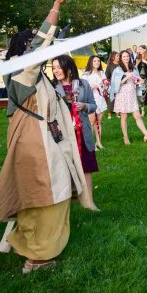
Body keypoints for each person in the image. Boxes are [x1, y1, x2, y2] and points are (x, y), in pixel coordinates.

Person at [0, 0, 95, 274]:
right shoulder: (22, 69)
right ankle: (39, 255)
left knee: (41, 193)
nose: (42, 46)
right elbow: (44, 42)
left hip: (42, 138)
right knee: (48, 194)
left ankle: (27, 245)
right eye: (33, 42)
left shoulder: (31, 73)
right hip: (36, 143)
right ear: (24, 49)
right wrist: (56, 3)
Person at [52, 55, 99, 207]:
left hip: (83, 133)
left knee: (86, 167)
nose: (56, 71)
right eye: (53, 68)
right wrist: (63, 102)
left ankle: (89, 202)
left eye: (59, 67)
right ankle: (65, 204)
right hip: (63, 135)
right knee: (63, 169)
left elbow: (93, 105)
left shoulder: (83, 84)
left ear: (69, 68)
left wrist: (85, 106)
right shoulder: (52, 88)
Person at [110, 50, 147, 145]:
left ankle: (146, 134)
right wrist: (126, 77)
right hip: (122, 95)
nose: (126, 58)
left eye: (127, 56)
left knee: (137, 116)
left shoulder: (133, 68)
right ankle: (125, 137)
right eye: (124, 56)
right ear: (121, 58)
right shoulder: (117, 70)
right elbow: (115, 85)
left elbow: (136, 79)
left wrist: (139, 81)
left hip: (132, 94)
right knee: (124, 116)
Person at [82, 55, 107, 150]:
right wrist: (91, 87)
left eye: (98, 61)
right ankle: (90, 143)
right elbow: (82, 89)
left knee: (99, 121)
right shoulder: (86, 75)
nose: (97, 62)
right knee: (91, 122)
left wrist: (105, 86)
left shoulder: (102, 73)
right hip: (91, 100)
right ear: (91, 62)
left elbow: (105, 86)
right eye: (95, 61)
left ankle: (98, 142)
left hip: (100, 99)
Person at [104, 51, 120, 120]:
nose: (118, 57)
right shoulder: (110, 65)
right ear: (113, 57)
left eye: (118, 56)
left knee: (118, 99)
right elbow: (107, 76)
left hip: (120, 84)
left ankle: (117, 113)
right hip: (112, 85)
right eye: (117, 56)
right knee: (111, 99)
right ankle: (109, 114)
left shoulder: (120, 65)